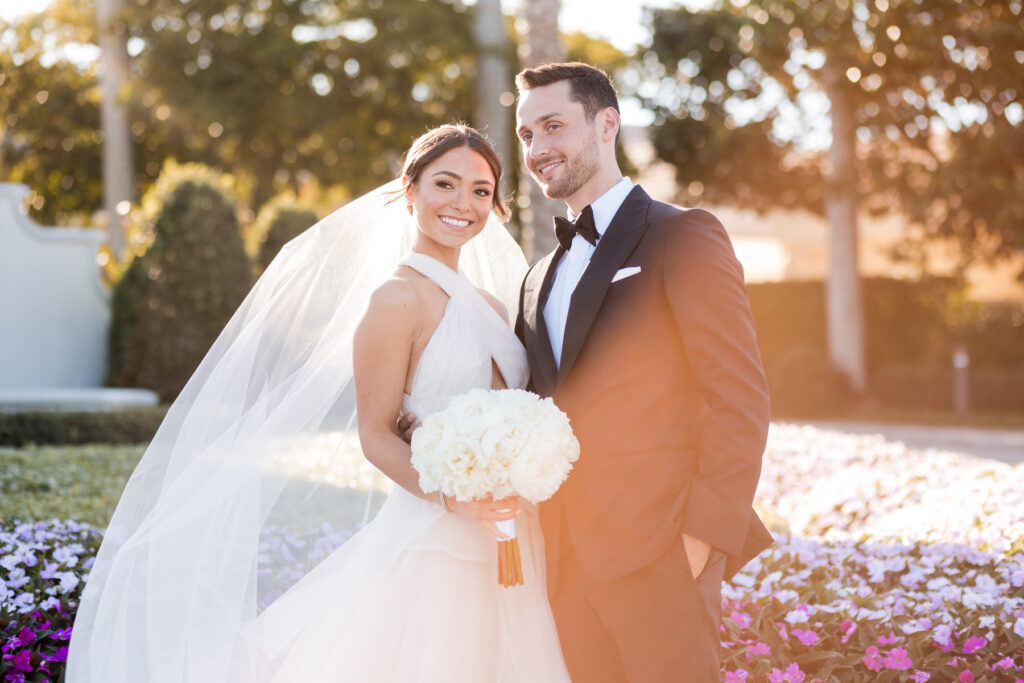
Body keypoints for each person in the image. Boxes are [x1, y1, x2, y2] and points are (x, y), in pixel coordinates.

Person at [66, 125, 571, 682]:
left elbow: (503, 405)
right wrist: (458, 500)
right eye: (445, 184)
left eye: (480, 190)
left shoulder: (491, 304)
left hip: (513, 530)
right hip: (438, 533)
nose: (463, 204)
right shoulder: (394, 299)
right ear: (410, 191)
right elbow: (376, 436)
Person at [513, 62, 772, 682]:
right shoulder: (536, 276)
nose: (539, 148)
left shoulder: (682, 235)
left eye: (553, 126)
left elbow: (739, 396)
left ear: (607, 124)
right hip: (565, 563)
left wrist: (701, 542)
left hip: (661, 554)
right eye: (525, 136)